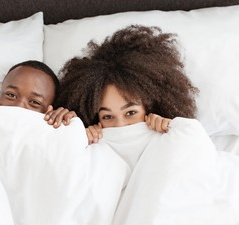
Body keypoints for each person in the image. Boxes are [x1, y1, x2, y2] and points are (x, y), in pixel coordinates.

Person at [55, 25, 198, 143]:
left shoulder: (172, 135)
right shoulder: (90, 143)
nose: (120, 126)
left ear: (152, 109)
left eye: (131, 113)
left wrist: (175, 130)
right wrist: (77, 139)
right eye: (107, 117)